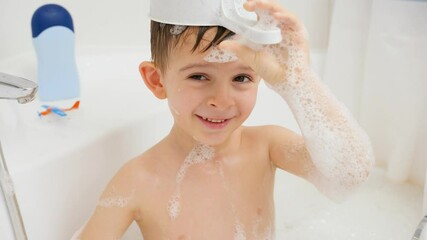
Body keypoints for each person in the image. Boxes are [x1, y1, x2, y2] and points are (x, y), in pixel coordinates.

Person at [77, 0, 374, 239]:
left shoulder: (267, 146)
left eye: (242, 77)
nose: (222, 99)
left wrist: (299, 81)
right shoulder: (138, 180)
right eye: (199, 76)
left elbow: (350, 173)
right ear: (157, 81)